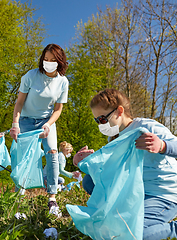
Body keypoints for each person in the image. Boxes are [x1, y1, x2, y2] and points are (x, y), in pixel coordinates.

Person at [73, 88, 177, 240]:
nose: (100, 125)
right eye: (97, 121)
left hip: (162, 194)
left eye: (102, 119)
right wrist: (84, 163)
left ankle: (173, 229)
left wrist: (162, 146)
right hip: (136, 193)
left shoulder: (147, 127)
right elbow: (109, 172)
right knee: (89, 181)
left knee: (131, 234)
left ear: (119, 111)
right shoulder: (114, 139)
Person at [9, 43, 69, 210]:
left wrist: (48, 125)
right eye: (45, 59)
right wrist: (15, 124)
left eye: (52, 60)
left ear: (60, 62)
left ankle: (52, 197)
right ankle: (18, 196)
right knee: (23, 158)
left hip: (46, 122)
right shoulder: (30, 76)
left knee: (53, 153)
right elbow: (19, 103)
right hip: (26, 121)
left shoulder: (63, 82)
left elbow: (58, 109)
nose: (47, 62)